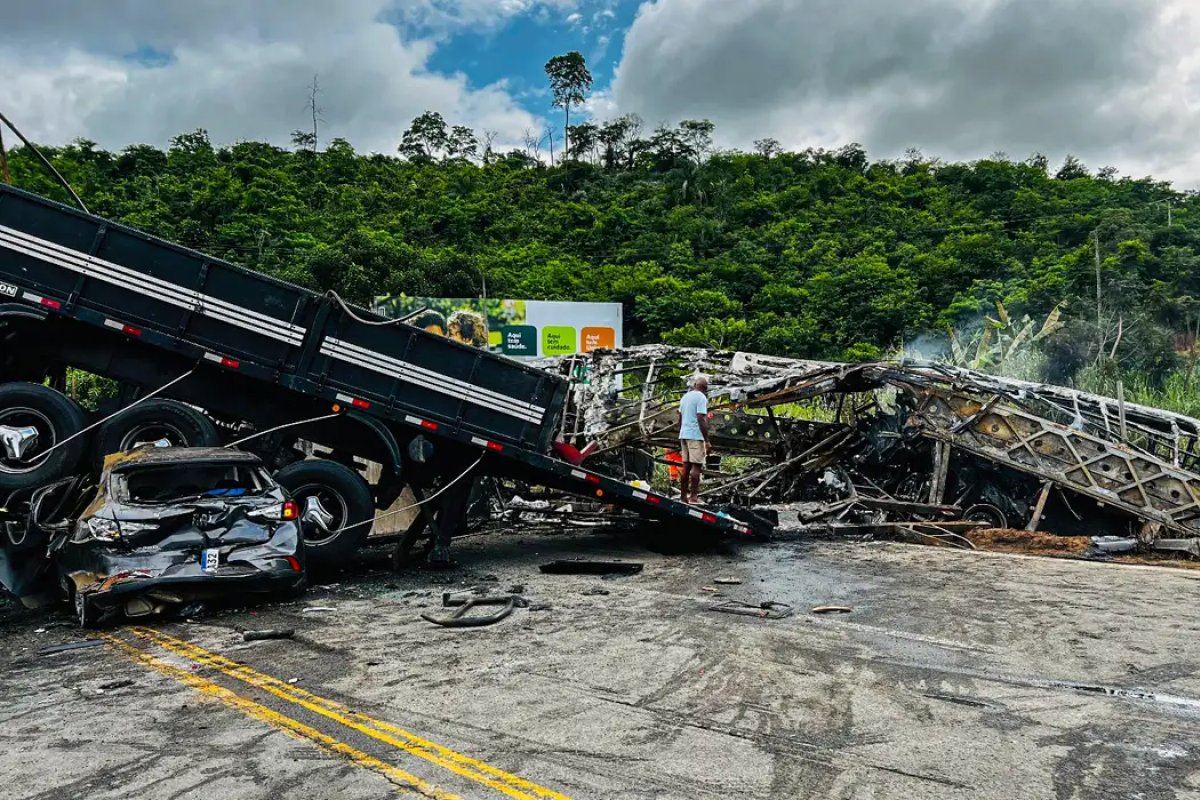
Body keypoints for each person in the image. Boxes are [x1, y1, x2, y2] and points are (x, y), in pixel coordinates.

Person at [678, 376, 710, 504]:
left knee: (686, 467)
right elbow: (700, 418)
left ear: (695, 385)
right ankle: (693, 497)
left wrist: (681, 432)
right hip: (695, 435)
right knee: (696, 467)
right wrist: (706, 440)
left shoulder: (685, 397)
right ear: (705, 388)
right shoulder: (701, 397)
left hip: (684, 434)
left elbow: (679, 418)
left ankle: (683, 497)